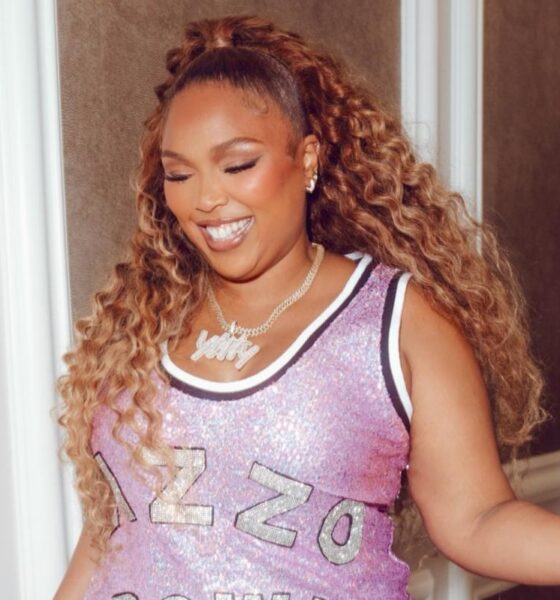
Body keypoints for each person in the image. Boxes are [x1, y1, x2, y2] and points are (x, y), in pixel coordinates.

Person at [53, 14, 560, 600]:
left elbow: (477, 519)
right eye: (180, 174)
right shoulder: (141, 323)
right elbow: (111, 538)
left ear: (308, 158)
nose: (206, 199)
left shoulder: (394, 321)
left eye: (238, 165)